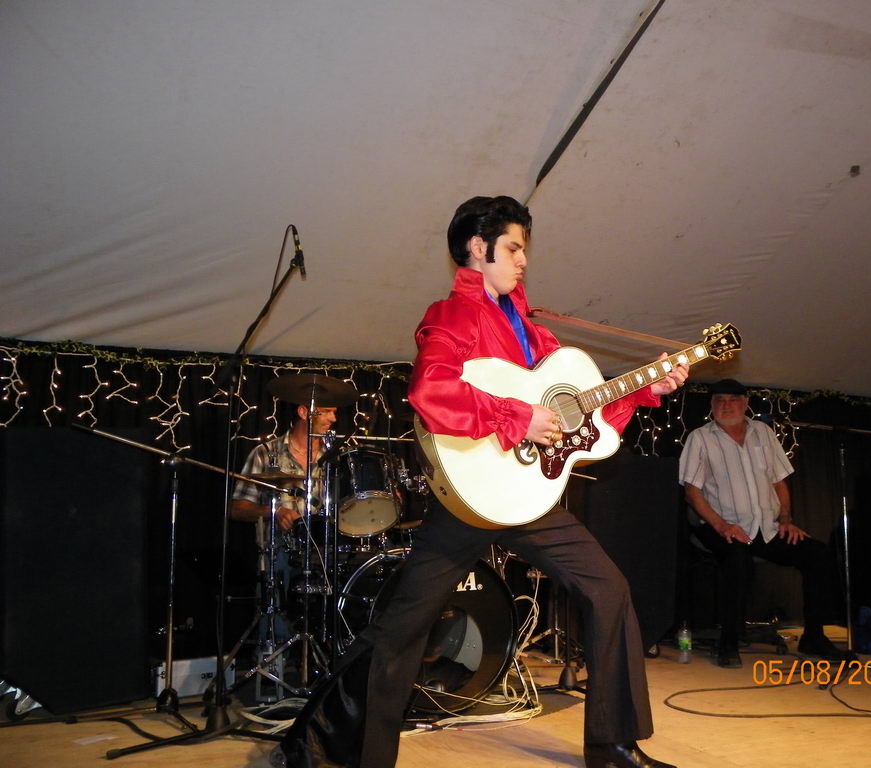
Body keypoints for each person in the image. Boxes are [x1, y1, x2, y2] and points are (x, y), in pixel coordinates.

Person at [355, 195, 688, 768]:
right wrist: (517, 417)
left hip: (529, 495)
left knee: (608, 589)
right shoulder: (453, 314)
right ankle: (337, 750)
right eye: (512, 248)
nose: (523, 260)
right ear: (477, 248)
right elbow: (430, 392)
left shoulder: (535, 335)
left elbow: (579, 423)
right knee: (402, 628)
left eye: (523, 249)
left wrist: (642, 392)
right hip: (470, 497)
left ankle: (612, 747)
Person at [678, 378, 850, 668]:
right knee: (737, 558)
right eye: (719, 401)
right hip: (721, 527)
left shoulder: (763, 432)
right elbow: (691, 492)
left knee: (817, 553)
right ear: (711, 405)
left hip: (766, 527)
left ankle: (814, 637)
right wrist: (721, 526)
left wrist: (786, 518)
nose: (726, 406)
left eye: (733, 400)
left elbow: (779, 481)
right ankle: (728, 642)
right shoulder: (700, 438)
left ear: (745, 403)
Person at [231, 402, 338, 531]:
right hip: (278, 543)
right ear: (303, 412)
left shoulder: (336, 458)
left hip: (323, 542)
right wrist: (274, 511)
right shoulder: (265, 452)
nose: (333, 419)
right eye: (326, 411)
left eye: (334, 412)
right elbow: (237, 509)